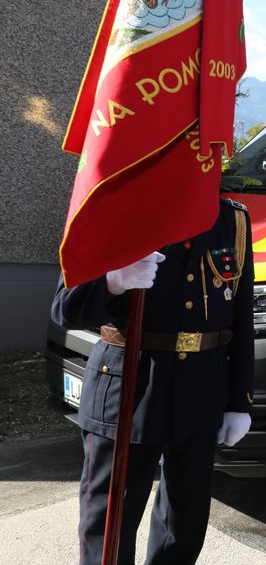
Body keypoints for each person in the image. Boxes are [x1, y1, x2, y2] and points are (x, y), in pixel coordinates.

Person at [53, 198, 255, 564]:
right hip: (128, 384)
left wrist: (239, 400)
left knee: (184, 521)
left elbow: (241, 314)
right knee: (110, 521)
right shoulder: (113, 207)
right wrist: (113, 282)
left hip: (201, 387)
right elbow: (65, 308)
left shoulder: (232, 219)